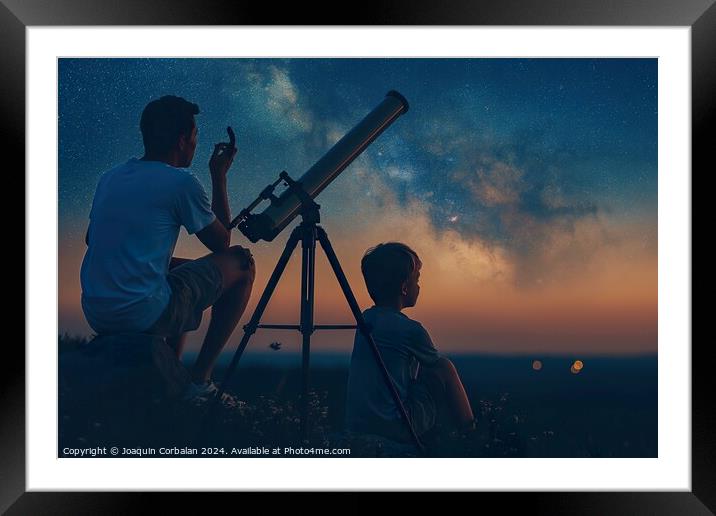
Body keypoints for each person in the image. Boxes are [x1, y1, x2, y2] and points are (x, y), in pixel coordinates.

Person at [80, 95, 256, 400]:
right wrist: (219, 176)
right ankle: (200, 380)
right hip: (141, 313)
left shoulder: (109, 178)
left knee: (181, 273)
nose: (195, 144)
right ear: (181, 140)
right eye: (195, 136)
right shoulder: (181, 182)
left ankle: (169, 367)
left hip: (97, 312)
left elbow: (92, 239)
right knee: (242, 262)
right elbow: (221, 242)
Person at [345, 242, 475, 444]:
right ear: (404, 288)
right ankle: (471, 434)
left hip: (360, 424)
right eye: (417, 280)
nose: (419, 286)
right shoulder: (412, 330)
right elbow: (437, 372)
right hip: (398, 426)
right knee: (443, 366)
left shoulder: (366, 319)